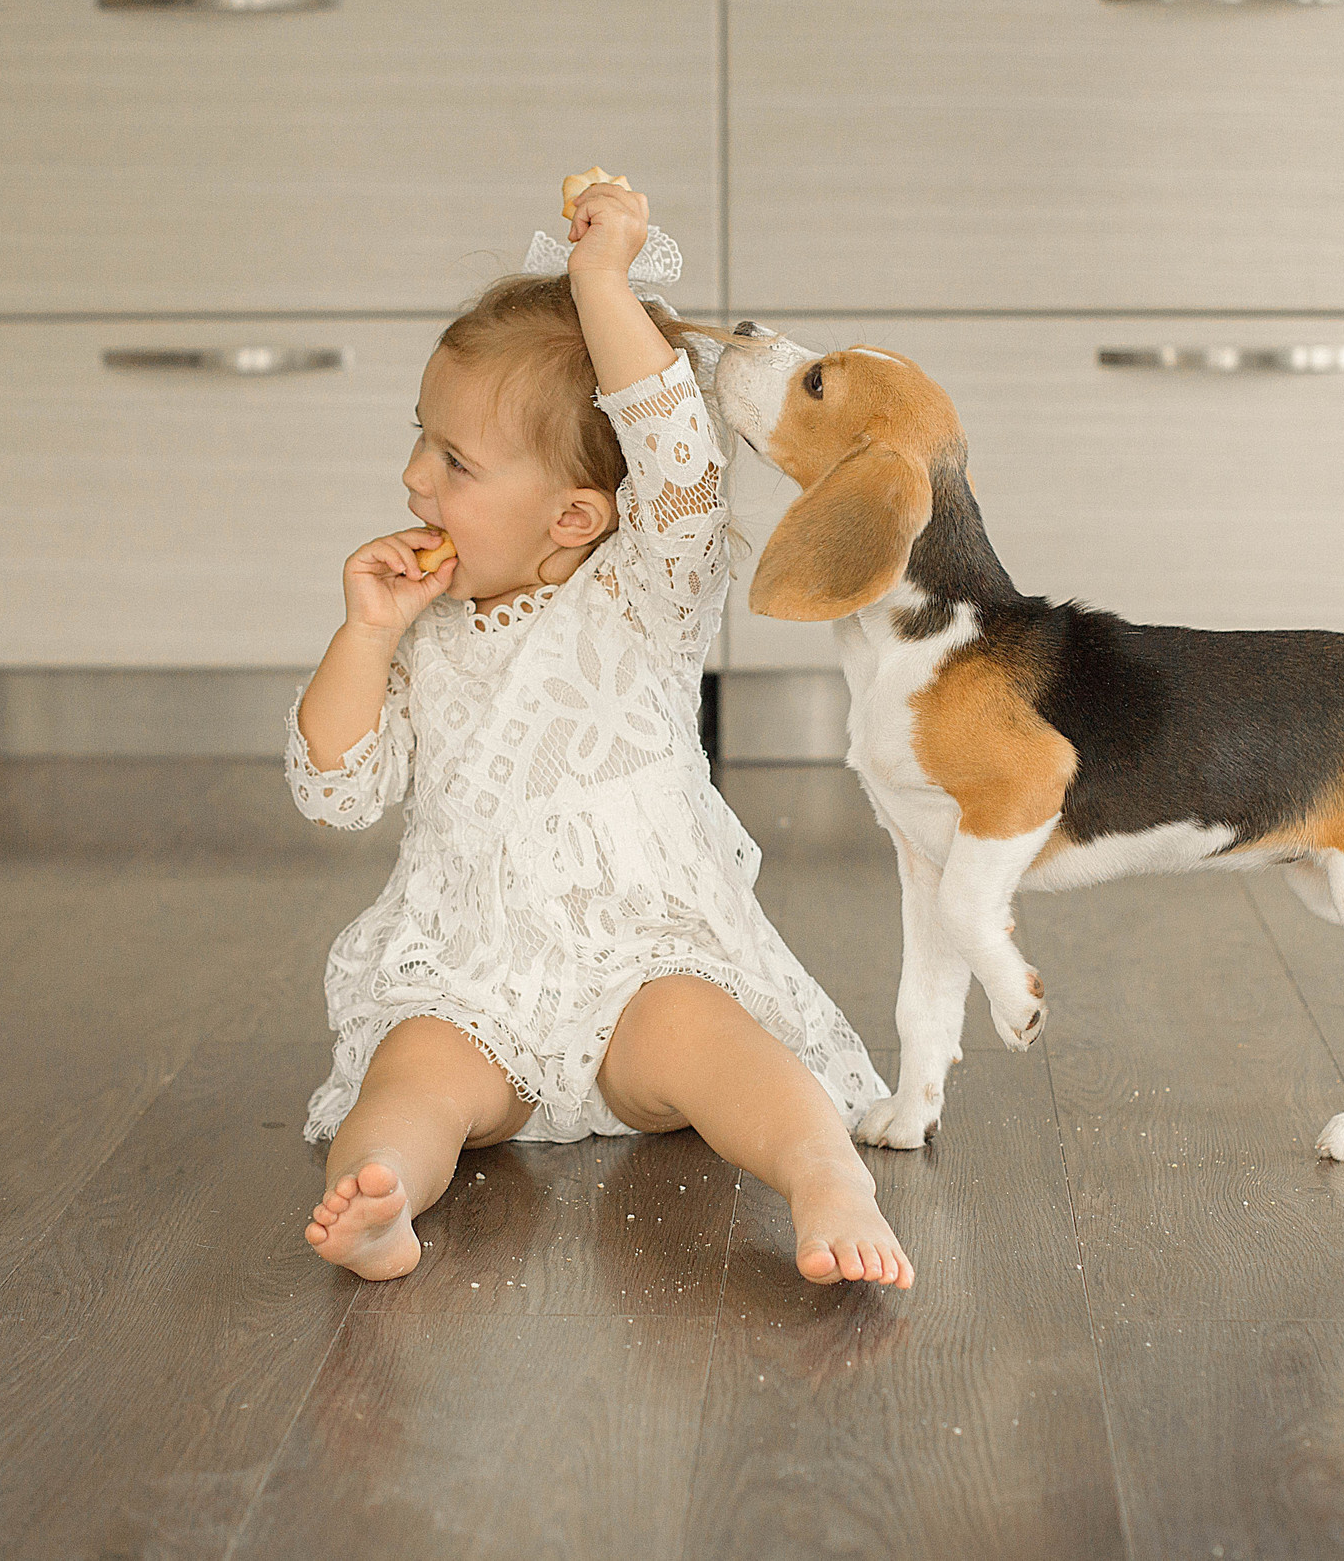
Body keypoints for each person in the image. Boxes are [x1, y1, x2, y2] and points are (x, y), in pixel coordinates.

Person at [284, 176, 910, 1288]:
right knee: (410, 1072)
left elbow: (675, 460)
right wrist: (365, 636)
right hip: (475, 974)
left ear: (574, 518)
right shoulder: (425, 632)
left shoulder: (640, 595)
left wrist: (599, 282)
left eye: (455, 463)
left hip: (636, 963)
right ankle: (383, 1190)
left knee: (714, 1045)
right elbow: (334, 789)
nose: (412, 478)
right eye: (418, 441)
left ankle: (821, 1174)